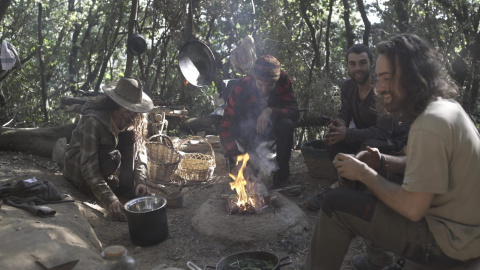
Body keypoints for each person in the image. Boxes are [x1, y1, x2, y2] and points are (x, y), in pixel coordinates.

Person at [304, 33, 480, 270]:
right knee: (375, 178)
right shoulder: (447, 108)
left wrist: (365, 173)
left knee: (336, 204)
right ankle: (378, 260)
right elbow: (429, 166)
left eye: (386, 78)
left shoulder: (429, 124)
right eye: (379, 78)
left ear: (413, 77)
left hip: (449, 245)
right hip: (466, 235)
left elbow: (412, 208)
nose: (378, 87)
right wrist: (382, 161)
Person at [305, 44, 409, 211]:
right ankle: (348, 181)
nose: (357, 68)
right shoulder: (348, 86)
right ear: (347, 66)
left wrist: (348, 133)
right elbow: (344, 113)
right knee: (332, 138)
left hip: (390, 138)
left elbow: (384, 131)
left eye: (362, 63)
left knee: (369, 144)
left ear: (371, 64)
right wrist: (338, 126)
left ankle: (339, 188)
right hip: (363, 134)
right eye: (352, 64)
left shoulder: (382, 89)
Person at [64, 77, 153, 221]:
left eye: (134, 108)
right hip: (80, 172)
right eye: (127, 107)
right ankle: (103, 191)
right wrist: (108, 198)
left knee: (130, 137)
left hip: (106, 166)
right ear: (115, 103)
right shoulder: (93, 121)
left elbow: (140, 151)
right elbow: (88, 165)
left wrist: (141, 180)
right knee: (112, 157)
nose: (131, 112)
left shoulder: (133, 118)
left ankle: (126, 188)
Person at [219, 55, 299, 188]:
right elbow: (225, 127)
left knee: (287, 125)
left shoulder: (283, 79)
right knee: (248, 127)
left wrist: (270, 111)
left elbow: (294, 113)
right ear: (254, 78)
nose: (264, 89)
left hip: (274, 126)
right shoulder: (242, 86)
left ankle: (281, 178)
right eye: (260, 84)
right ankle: (252, 177)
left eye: (270, 85)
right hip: (248, 130)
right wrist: (236, 158)